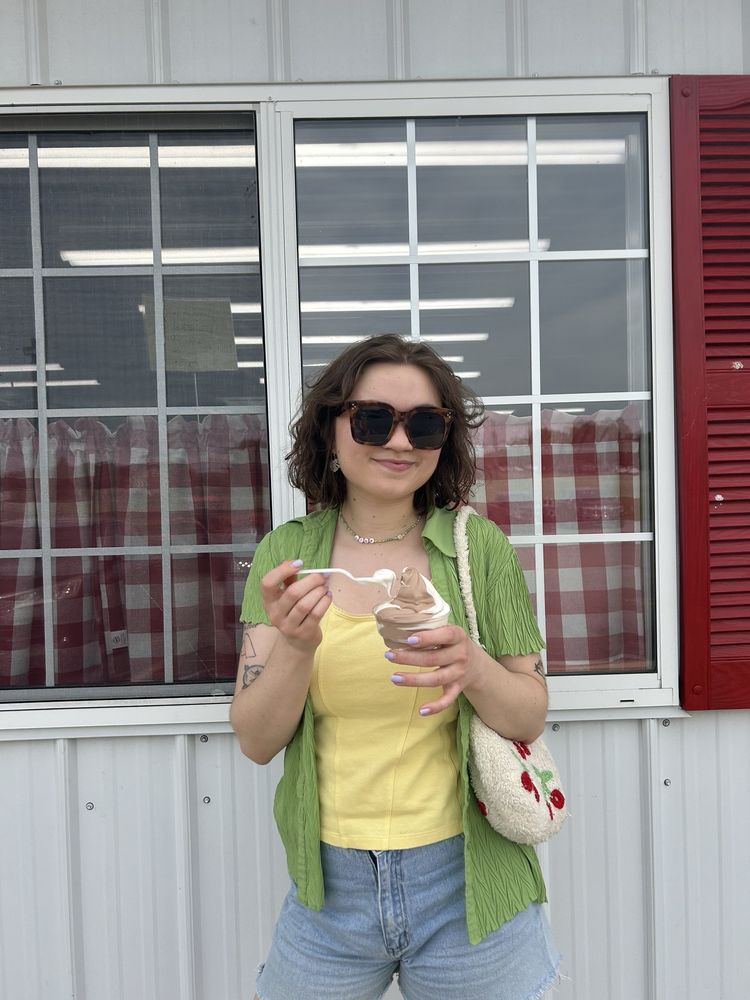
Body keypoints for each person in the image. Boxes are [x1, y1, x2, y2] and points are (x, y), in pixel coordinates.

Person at [230, 334, 561, 1000]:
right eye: (374, 419)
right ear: (331, 428)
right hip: (330, 892)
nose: (401, 442)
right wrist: (296, 646)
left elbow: (529, 714)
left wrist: (472, 666)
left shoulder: (476, 547)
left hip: (468, 882)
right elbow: (257, 740)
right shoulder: (288, 556)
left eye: (425, 424)